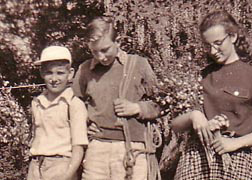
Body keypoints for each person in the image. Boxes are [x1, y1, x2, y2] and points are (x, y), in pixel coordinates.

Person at [171, 10, 252, 180]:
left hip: (236, 159)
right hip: (196, 159)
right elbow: (175, 125)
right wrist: (193, 116)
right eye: (208, 46)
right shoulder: (199, 76)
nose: (213, 51)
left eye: (218, 43)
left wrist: (235, 143)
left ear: (233, 37)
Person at [72, 16, 161, 180]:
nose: (100, 57)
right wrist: (83, 126)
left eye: (105, 50)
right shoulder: (84, 70)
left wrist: (138, 108)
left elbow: (161, 104)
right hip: (97, 149)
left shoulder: (139, 64)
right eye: (94, 51)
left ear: (118, 41)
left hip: (132, 148)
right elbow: (74, 106)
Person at [27, 46, 89, 180]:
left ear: (70, 73)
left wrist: (68, 175)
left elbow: (78, 147)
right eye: (49, 73)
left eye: (60, 73)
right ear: (42, 73)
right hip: (35, 166)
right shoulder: (37, 102)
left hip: (61, 166)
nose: (54, 79)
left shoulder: (73, 103)